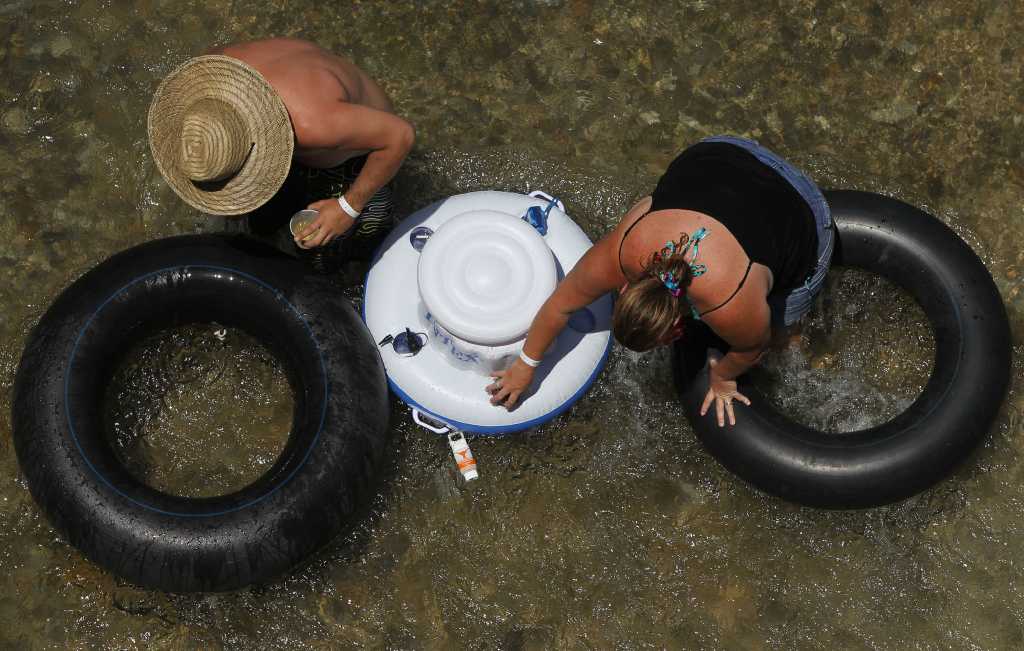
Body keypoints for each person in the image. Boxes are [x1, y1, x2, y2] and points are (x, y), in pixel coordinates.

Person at [487, 135, 834, 427]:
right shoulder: (624, 251)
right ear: (626, 286)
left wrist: (724, 377)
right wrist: (525, 365)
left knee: (779, 333)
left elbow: (751, 347)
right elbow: (560, 305)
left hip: (801, 203)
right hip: (727, 151)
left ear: (676, 327)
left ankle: (800, 339)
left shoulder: (728, 306)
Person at [147, 38, 415, 268]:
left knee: (337, 250)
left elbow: (400, 136)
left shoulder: (312, 125)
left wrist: (348, 208)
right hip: (315, 119)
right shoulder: (214, 68)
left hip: (364, 150)